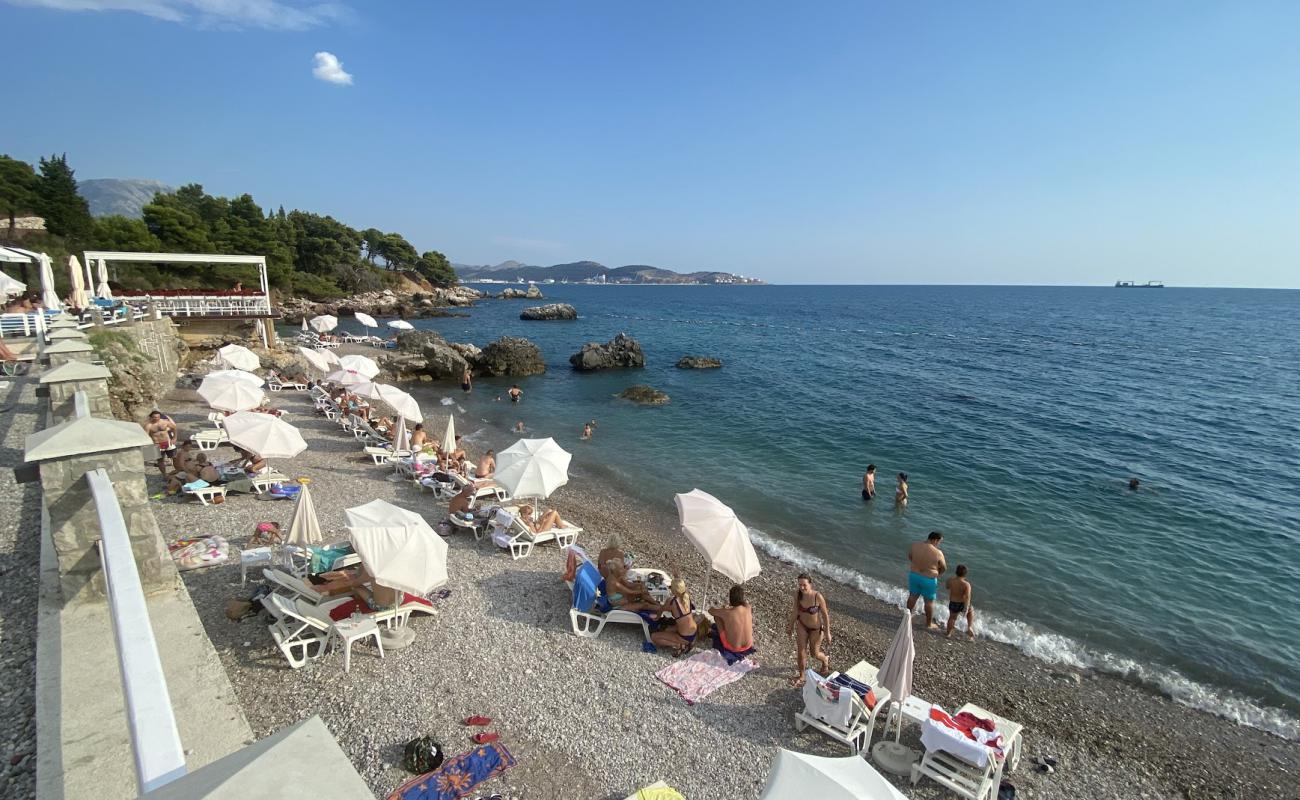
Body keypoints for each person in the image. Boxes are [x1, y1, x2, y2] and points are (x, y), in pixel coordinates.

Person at [788, 573, 831, 685]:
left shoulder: (817, 597)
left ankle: (825, 659)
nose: (802, 587)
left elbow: (825, 615)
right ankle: (802, 675)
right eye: (800, 585)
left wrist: (827, 632)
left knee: (814, 654)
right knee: (801, 652)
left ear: (810, 584)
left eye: (804, 585)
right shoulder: (798, 595)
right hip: (802, 625)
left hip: (816, 630)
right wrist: (790, 626)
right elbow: (795, 611)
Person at [906, 531, 947, 629]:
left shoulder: (915, 545)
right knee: (929, 602)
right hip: (929, 579)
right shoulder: (938, 553)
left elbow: (910, 557)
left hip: (914, 576)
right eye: (939, 542)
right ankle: (928, 624)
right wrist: (937, 573)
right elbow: (944, 567)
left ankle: (906, 618)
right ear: (935, 540)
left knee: (912, 596)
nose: (938, 544)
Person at [710, 585, 756, 664]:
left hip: (733, 648)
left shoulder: (727, 612)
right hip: (748, 645)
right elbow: (742, 605)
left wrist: (724, 608)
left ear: (730, 599)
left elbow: (711, 611)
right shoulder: (748, 607)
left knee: (717, 617)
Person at [651, 578, 698, 656]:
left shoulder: (671, 601)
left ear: (673, 589)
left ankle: (680, 645)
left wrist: (657, 617)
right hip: (693, 631)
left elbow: (661, 609)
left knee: (654, 637)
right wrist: (676, 575)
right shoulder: (686, 596)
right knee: (666, 629)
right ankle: (689, 642)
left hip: (684, 636)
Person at [144, 410, 178, 477]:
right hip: (158, 444)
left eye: (158, 417)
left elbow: (174, 427)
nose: (156, 418)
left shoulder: (164, 422)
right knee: (160, 460)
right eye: (154, 417)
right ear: (151, 417)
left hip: (167, 442)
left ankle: (177, 471)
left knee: (174, 457)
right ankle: (164, 475)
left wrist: (174, 438)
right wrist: (149, 446)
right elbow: (145, 437)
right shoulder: (148, 426)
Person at [945, 565, 975, 640]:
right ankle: (969, 627)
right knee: (971, 611)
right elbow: (967, 597)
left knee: (952, 618)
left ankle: (948, 633)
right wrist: (966, 607)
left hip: (953, 602)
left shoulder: (951, 580)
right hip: (962, 603)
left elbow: (947, 587)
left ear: (956, 572)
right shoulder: (966, 584)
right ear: (965, 574)